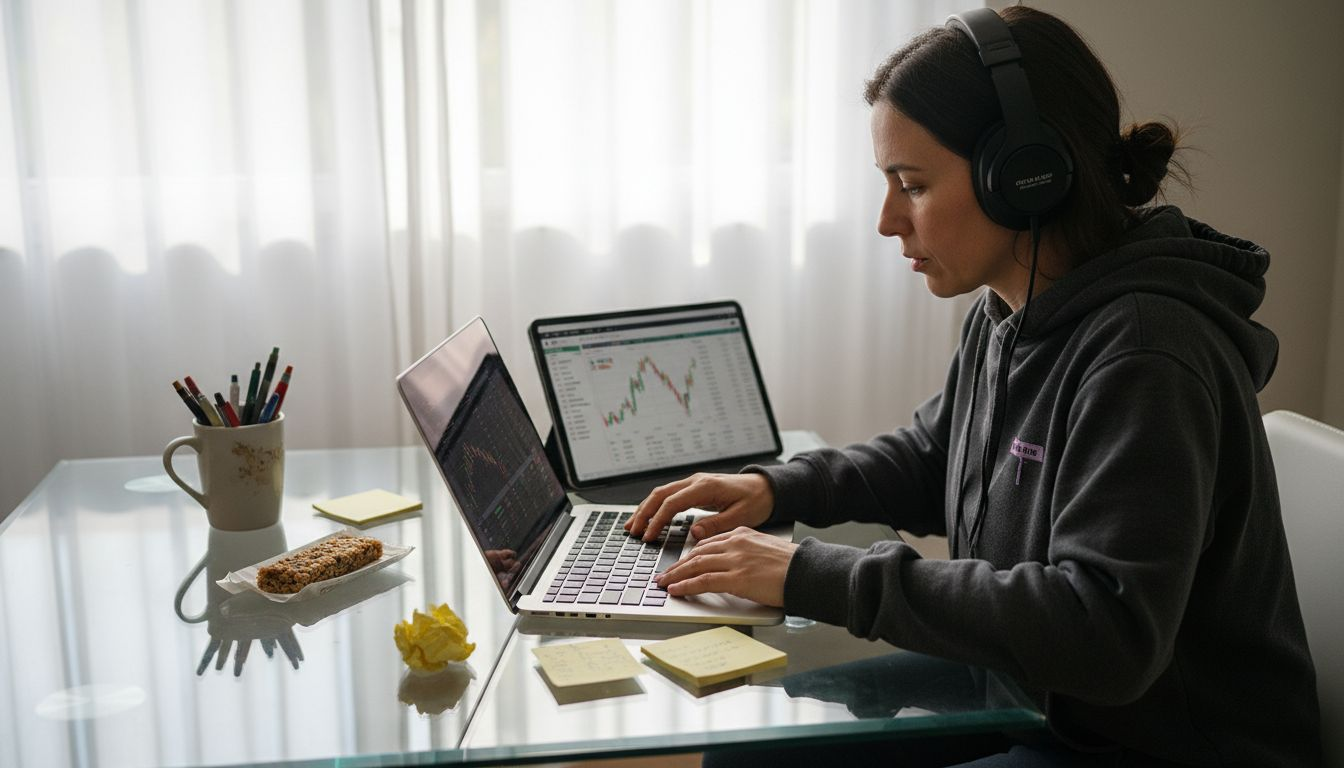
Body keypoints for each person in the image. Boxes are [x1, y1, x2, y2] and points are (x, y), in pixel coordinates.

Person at [624, 6, 1322, 766]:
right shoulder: (1010, 311)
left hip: (1158, 745)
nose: (889, 220)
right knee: (754, 750)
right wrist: (775, 488)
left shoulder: (1147, 356)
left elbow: (1106, 634)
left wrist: (811, 574)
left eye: (912, 185)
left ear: (1023, 179)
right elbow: (935, 457)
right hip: (1041, 699)